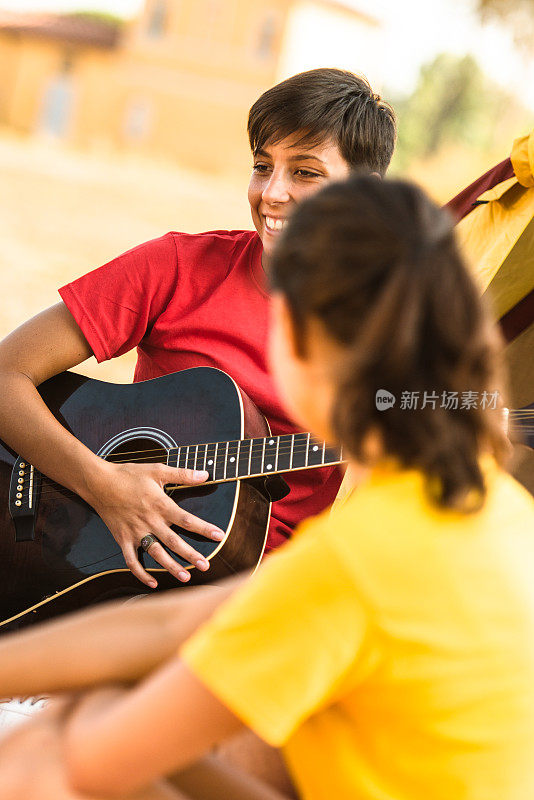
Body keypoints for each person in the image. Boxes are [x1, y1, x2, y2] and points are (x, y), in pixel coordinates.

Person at [1, 175, 534, 800]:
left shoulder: (354, 565)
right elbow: (173, 625)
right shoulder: (494, 510)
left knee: (47, 754)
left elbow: (91, 762)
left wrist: (86, 707)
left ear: (304, 346)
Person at [0, 68, 396, 590]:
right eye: (262, 165)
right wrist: (103, 485)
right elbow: (8, 375)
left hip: (250, 594)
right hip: (91, 555)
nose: (272, 194)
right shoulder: (178, 267)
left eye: (305, 172)